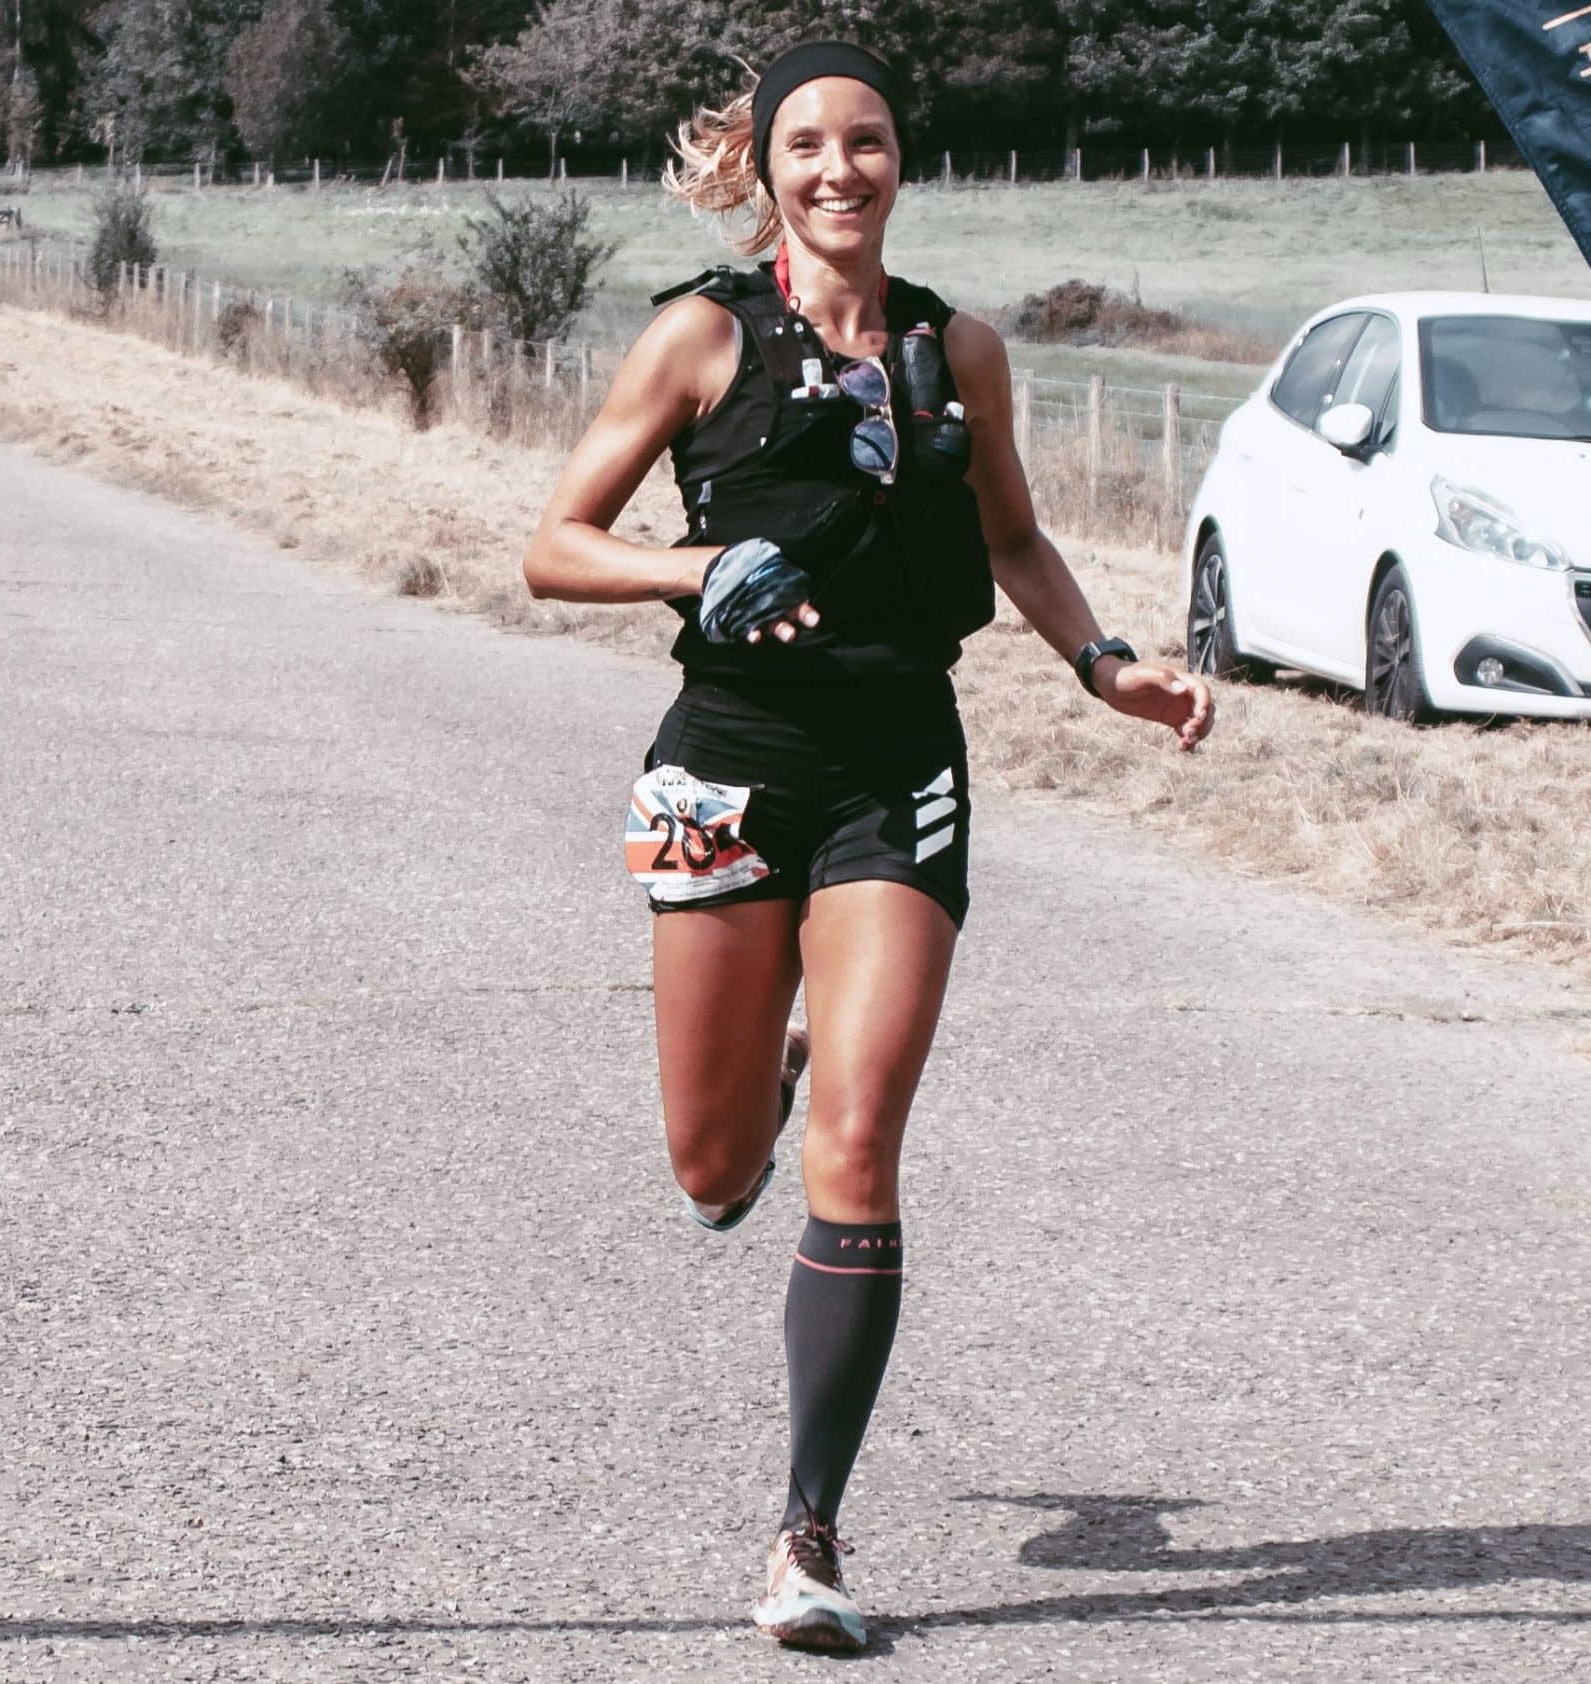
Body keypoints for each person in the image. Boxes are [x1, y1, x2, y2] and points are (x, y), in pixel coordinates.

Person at [520, 42, 1214, 1654]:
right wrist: (693, 572)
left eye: (871, 142)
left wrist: (1107, 666)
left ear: (904, 162)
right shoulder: (700, 335)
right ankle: (752, 1087)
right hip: (724, 771)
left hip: (901, 766)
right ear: (763, 167)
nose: (842, 170)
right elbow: (552, 549)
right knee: (713, 1172)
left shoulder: (954, 347)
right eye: (810, 145)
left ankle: (807, 1534)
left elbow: (1015, 537)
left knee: (861, 1143)